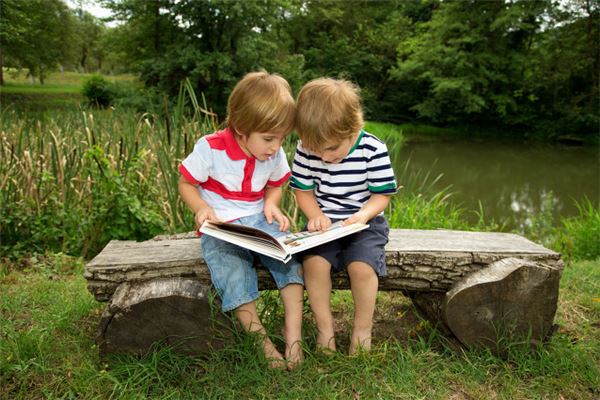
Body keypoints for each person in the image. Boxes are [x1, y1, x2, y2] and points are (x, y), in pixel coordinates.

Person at [178, 71, 304, 369]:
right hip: (222, 227)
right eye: (269, 139)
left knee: (289, 258)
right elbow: (186, 183)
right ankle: (262, 342)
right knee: (230, 269)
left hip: (260, 221)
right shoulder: (211, 148)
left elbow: (276, 183)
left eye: (282, 138)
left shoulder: (272, 152)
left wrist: (272, 204)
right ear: (241, 128)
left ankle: (293, 334)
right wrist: (200, 208)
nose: (276, 147)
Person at [290, 77, 397, 355]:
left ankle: (362, 331)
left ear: (353, 127)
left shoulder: (372, 149)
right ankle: (325, 331)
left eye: (332, 148)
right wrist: (314, 215)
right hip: (325, 225)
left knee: (361, 268)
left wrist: (364, 215)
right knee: (314, 265)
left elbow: (382, 195)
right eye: (316, 150)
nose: (324, 157)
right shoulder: (305, 149)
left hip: (365, 223)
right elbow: (303, 191)